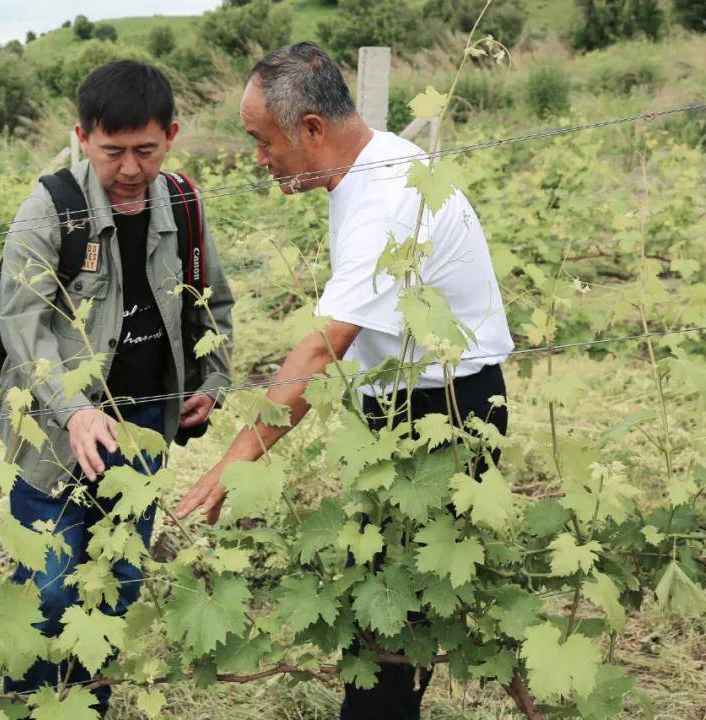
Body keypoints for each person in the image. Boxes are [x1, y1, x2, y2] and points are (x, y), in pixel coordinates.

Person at [172, 42, 514, 720]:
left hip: (447, 415)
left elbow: (323, 350)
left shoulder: (381, 202)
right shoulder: (371, 161)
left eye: (262, 141)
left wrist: (233, 465)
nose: (258, 159)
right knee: (386, 612)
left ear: (311, 130)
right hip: (407, 405)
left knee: (395, 624)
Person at [0, 60, 234, 714]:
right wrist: (72, 411)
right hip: (54, 439)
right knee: (47, 585)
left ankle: (89, 698)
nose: (130, 168)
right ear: (82, 136)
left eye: (146, 151)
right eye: (112, 152)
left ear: (172, 136)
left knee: (122, 578)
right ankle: (32, 700)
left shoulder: (183, 204)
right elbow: (22, 329)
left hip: (145, 429)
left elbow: (215, 303)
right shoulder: (50, 210)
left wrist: (213, 381)